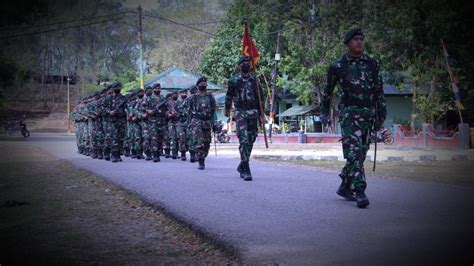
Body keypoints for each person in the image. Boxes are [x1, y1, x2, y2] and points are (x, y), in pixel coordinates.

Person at [321, 28, 387, 208]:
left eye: (361, 39)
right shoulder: (338, 65)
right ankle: (360, 191)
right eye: (356, 39)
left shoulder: (372, 64)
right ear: (348, 43)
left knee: (360, 154)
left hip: (368, 114)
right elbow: (328, 91)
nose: (359, 42)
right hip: (349, 115)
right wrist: (324, 112)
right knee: (354, 153)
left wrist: (381, 114)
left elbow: (379, 91)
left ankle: (344, 185)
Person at [224, 56, 264, 181]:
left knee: (251, 140)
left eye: (248, 62)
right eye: (244, 62)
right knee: (244, 140)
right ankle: (246, 168)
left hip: (253, 113)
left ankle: (242, 164)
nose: (246, 64)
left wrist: (263, 114)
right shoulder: (234, 80)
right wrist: (227, 109)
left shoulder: (255, 81)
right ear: (239, 65)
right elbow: (229, 96)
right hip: (240, 113)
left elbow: (260, 98)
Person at [188, 77, 218, 170]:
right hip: (197, 121)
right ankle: (201, 161)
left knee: (207, 142)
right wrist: (190, 124)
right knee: (199, 141)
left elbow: (213, 111)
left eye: (204, 83)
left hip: (207, 122)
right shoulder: (193, 97)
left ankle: (203, 156)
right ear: (198, 85)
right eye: (201, 83)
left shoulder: (210, 97)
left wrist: (214, 124)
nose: (203, 85)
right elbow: (188, 111)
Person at [175, 89, 190, 161]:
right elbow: (173, 112)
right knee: (181, 138)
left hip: (188, 122)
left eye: (185, 93)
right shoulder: (176, 103)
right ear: (180, 94)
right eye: (182, 93)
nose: (184, 94)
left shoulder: (189, 101)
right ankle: (183, 154)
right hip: (179, 123)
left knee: (189, 138)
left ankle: (192, 154)